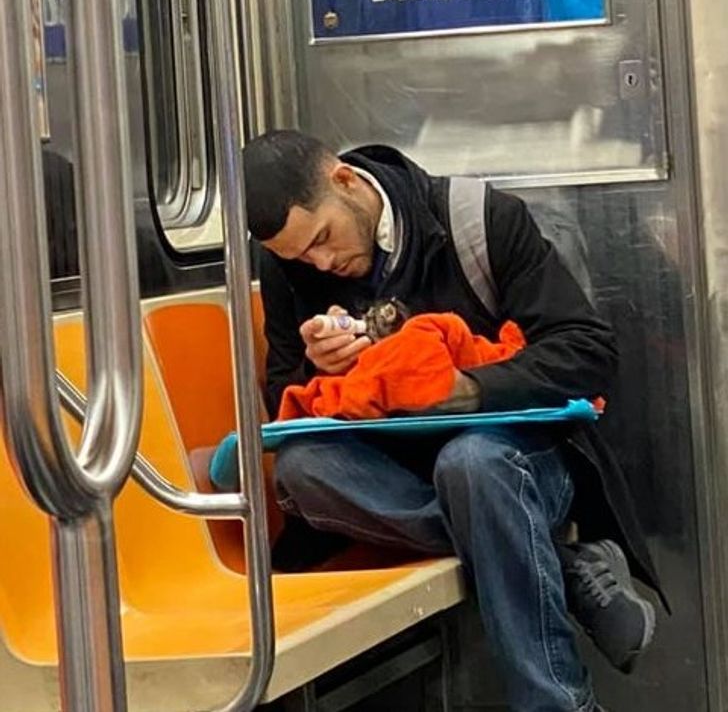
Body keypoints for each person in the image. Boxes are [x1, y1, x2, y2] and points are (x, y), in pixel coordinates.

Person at [242, 130, 665, 712]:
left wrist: (469, 389)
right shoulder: (290, 267)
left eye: (323, 239)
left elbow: (587, 350)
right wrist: (318, 372)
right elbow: (285, 402)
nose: (321, 262)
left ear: (344, 181)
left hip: (518, 457)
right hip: (396, 478)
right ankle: (565, 568)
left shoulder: (479, 220)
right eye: (301, 257)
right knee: (302, 469)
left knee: (472, 464)